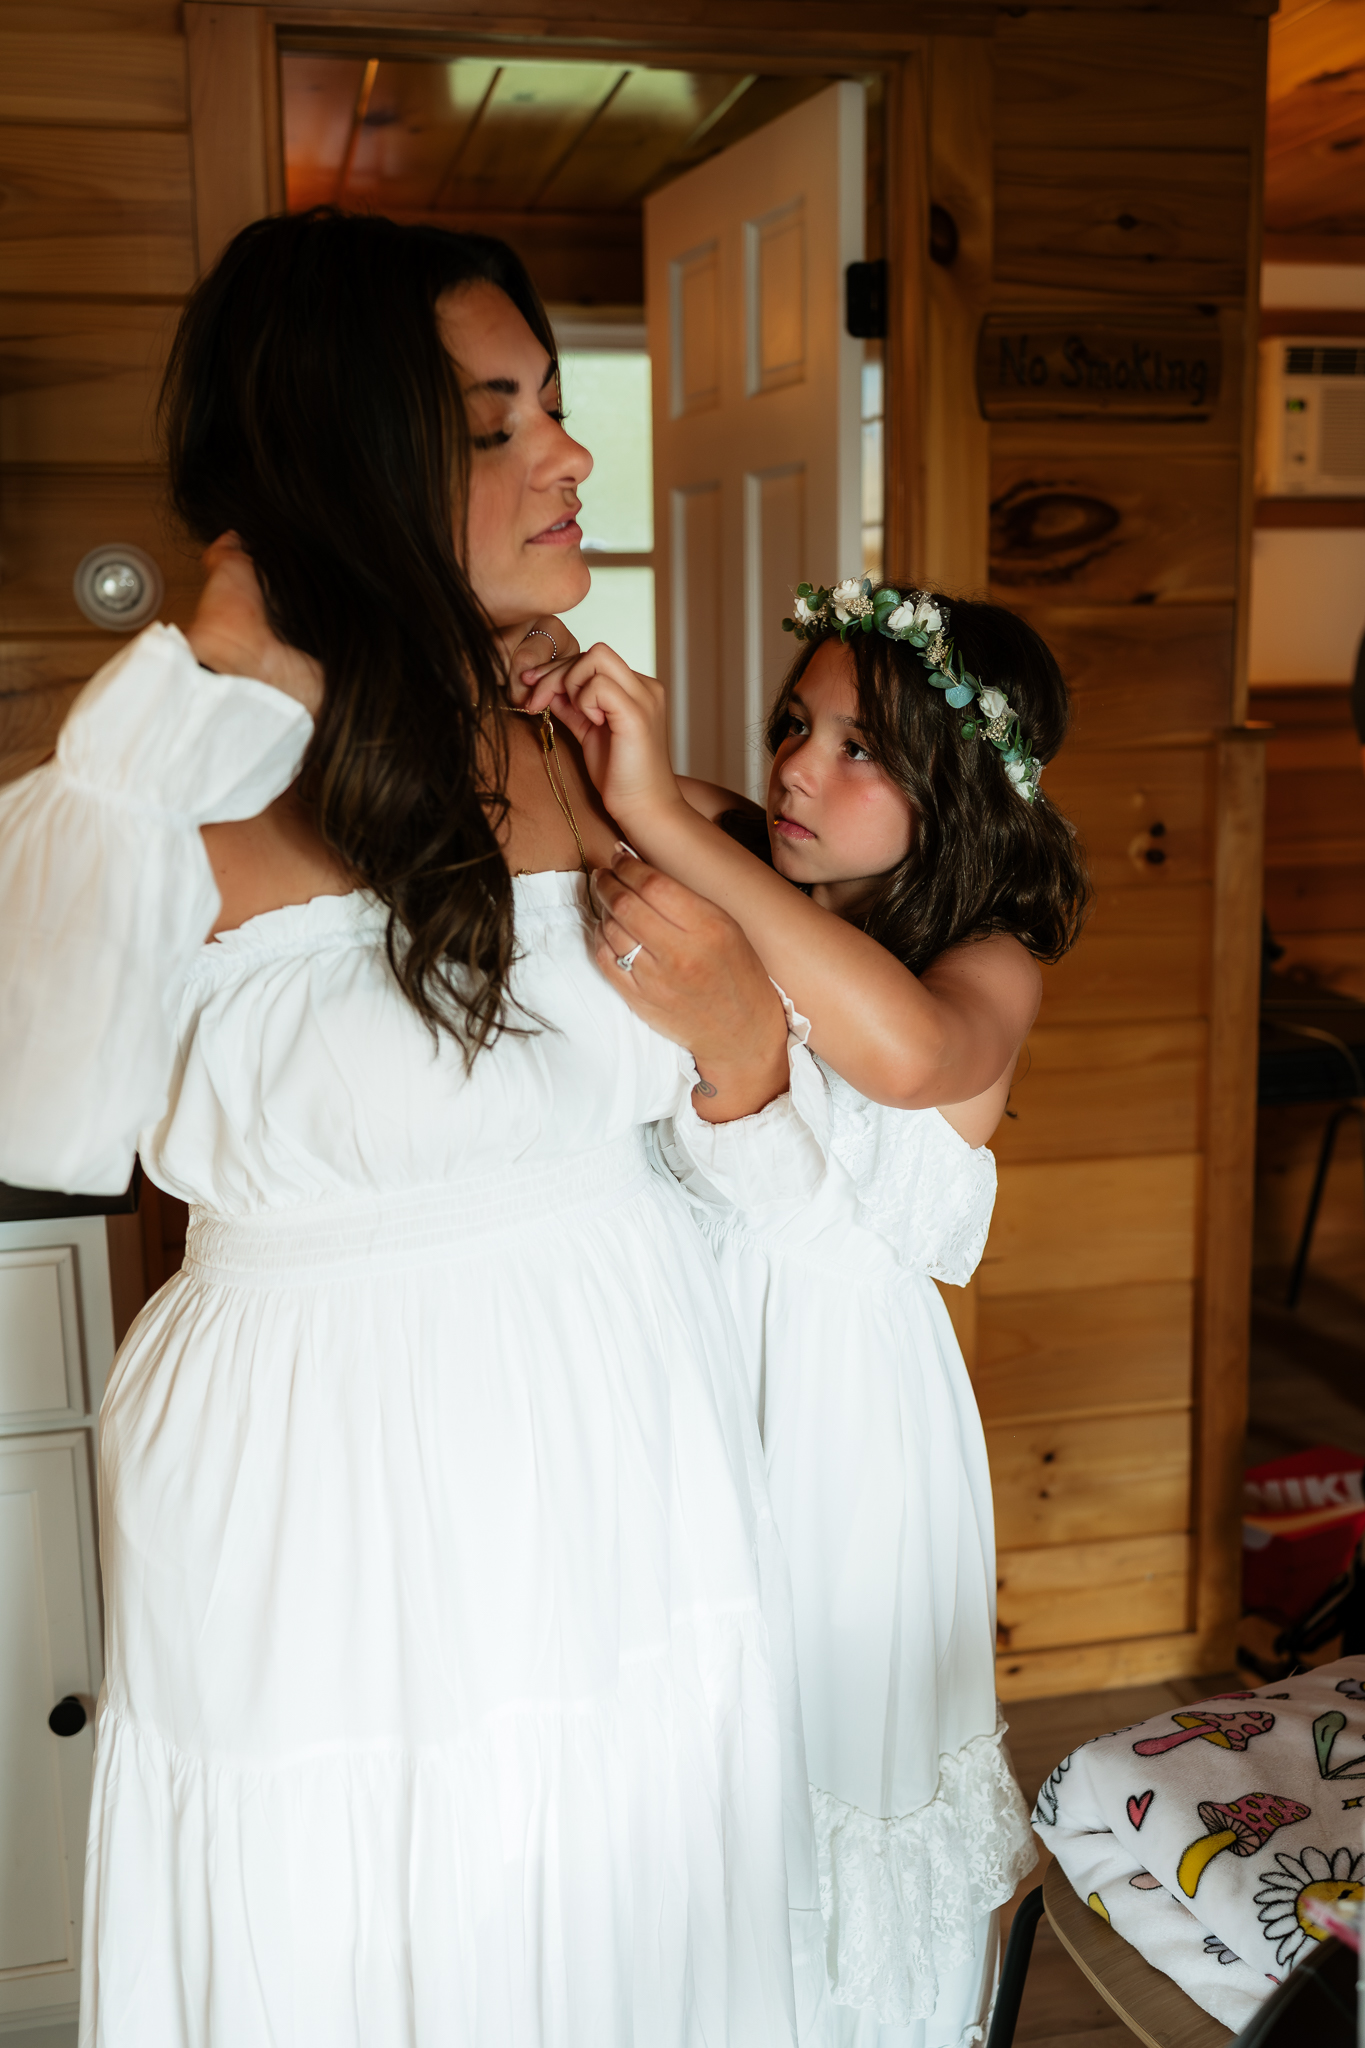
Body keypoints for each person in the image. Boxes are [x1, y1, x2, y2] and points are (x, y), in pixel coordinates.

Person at [0, 210, 822, 2047]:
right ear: (348, 463)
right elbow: (35, 1109)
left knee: (624, 1897)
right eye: (495, 421)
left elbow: (753, 1147)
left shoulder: (581, 743)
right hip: (326, 1468)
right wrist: (198, 679)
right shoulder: (167, 784)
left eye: (552, 404)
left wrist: (734, 1037)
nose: (571, 455)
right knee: (370, 1924)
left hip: (626, 1416)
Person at [517, 579, 1091, 2044]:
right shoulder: (748, 857)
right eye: (793, 725)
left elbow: (902, 1057)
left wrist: (666, 816)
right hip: (685, 1366)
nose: (792, 770)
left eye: (858, 750)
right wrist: (581, 718)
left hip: (846, 1427)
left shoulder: (987, 966)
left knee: (825, 1747)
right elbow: (594, 797)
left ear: (958, 790)